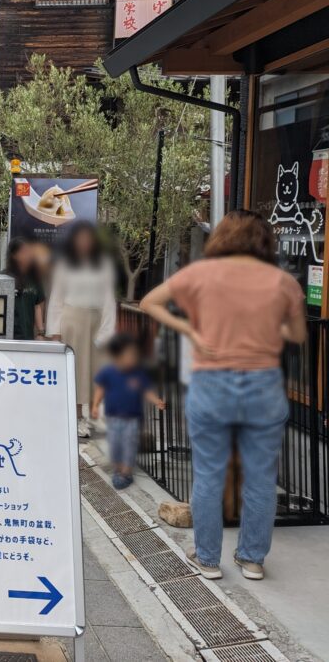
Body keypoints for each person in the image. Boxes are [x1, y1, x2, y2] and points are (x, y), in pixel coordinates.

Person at [140, 211, 306, 581]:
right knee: (261, 478)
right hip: (263, 387)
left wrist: (192, 330)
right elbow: (296, 335)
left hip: (212, 385)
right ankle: (252, 560)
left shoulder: (200, 274)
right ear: (264, 241)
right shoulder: (283, 283)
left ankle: (208, 559)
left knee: (208, 474)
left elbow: (149, 302)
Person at [46, 222, 117, 438]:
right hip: (72, 322)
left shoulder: (103, 264)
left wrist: (107, 330)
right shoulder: (65, 265)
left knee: (96, 371)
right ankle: (77, 417)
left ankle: (92, 415)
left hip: (95, 322)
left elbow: (109, 299)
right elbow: (56, 298)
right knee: (76, 372)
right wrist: (55, 332)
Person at [91, 334, 165, 490]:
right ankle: (119, 468)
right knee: (115, 444)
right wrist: (95, 405)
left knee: (129, 444)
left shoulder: (138, 373)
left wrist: (156, 400)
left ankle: (126, 472)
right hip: (113, 417)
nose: (133, 358)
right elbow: (100, 388)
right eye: (129, 355)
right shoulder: (108, 372)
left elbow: (146, 390)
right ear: (117, 356)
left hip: (132, 418)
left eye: (135, 355)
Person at [4, 238, 46, 341]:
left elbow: (37, 306)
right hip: (8, 336)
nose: (28, 255)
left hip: (27, 335)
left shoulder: (34, 278)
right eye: (23, 252)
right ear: (14, 255)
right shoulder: (4, 277)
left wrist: (40, 332)